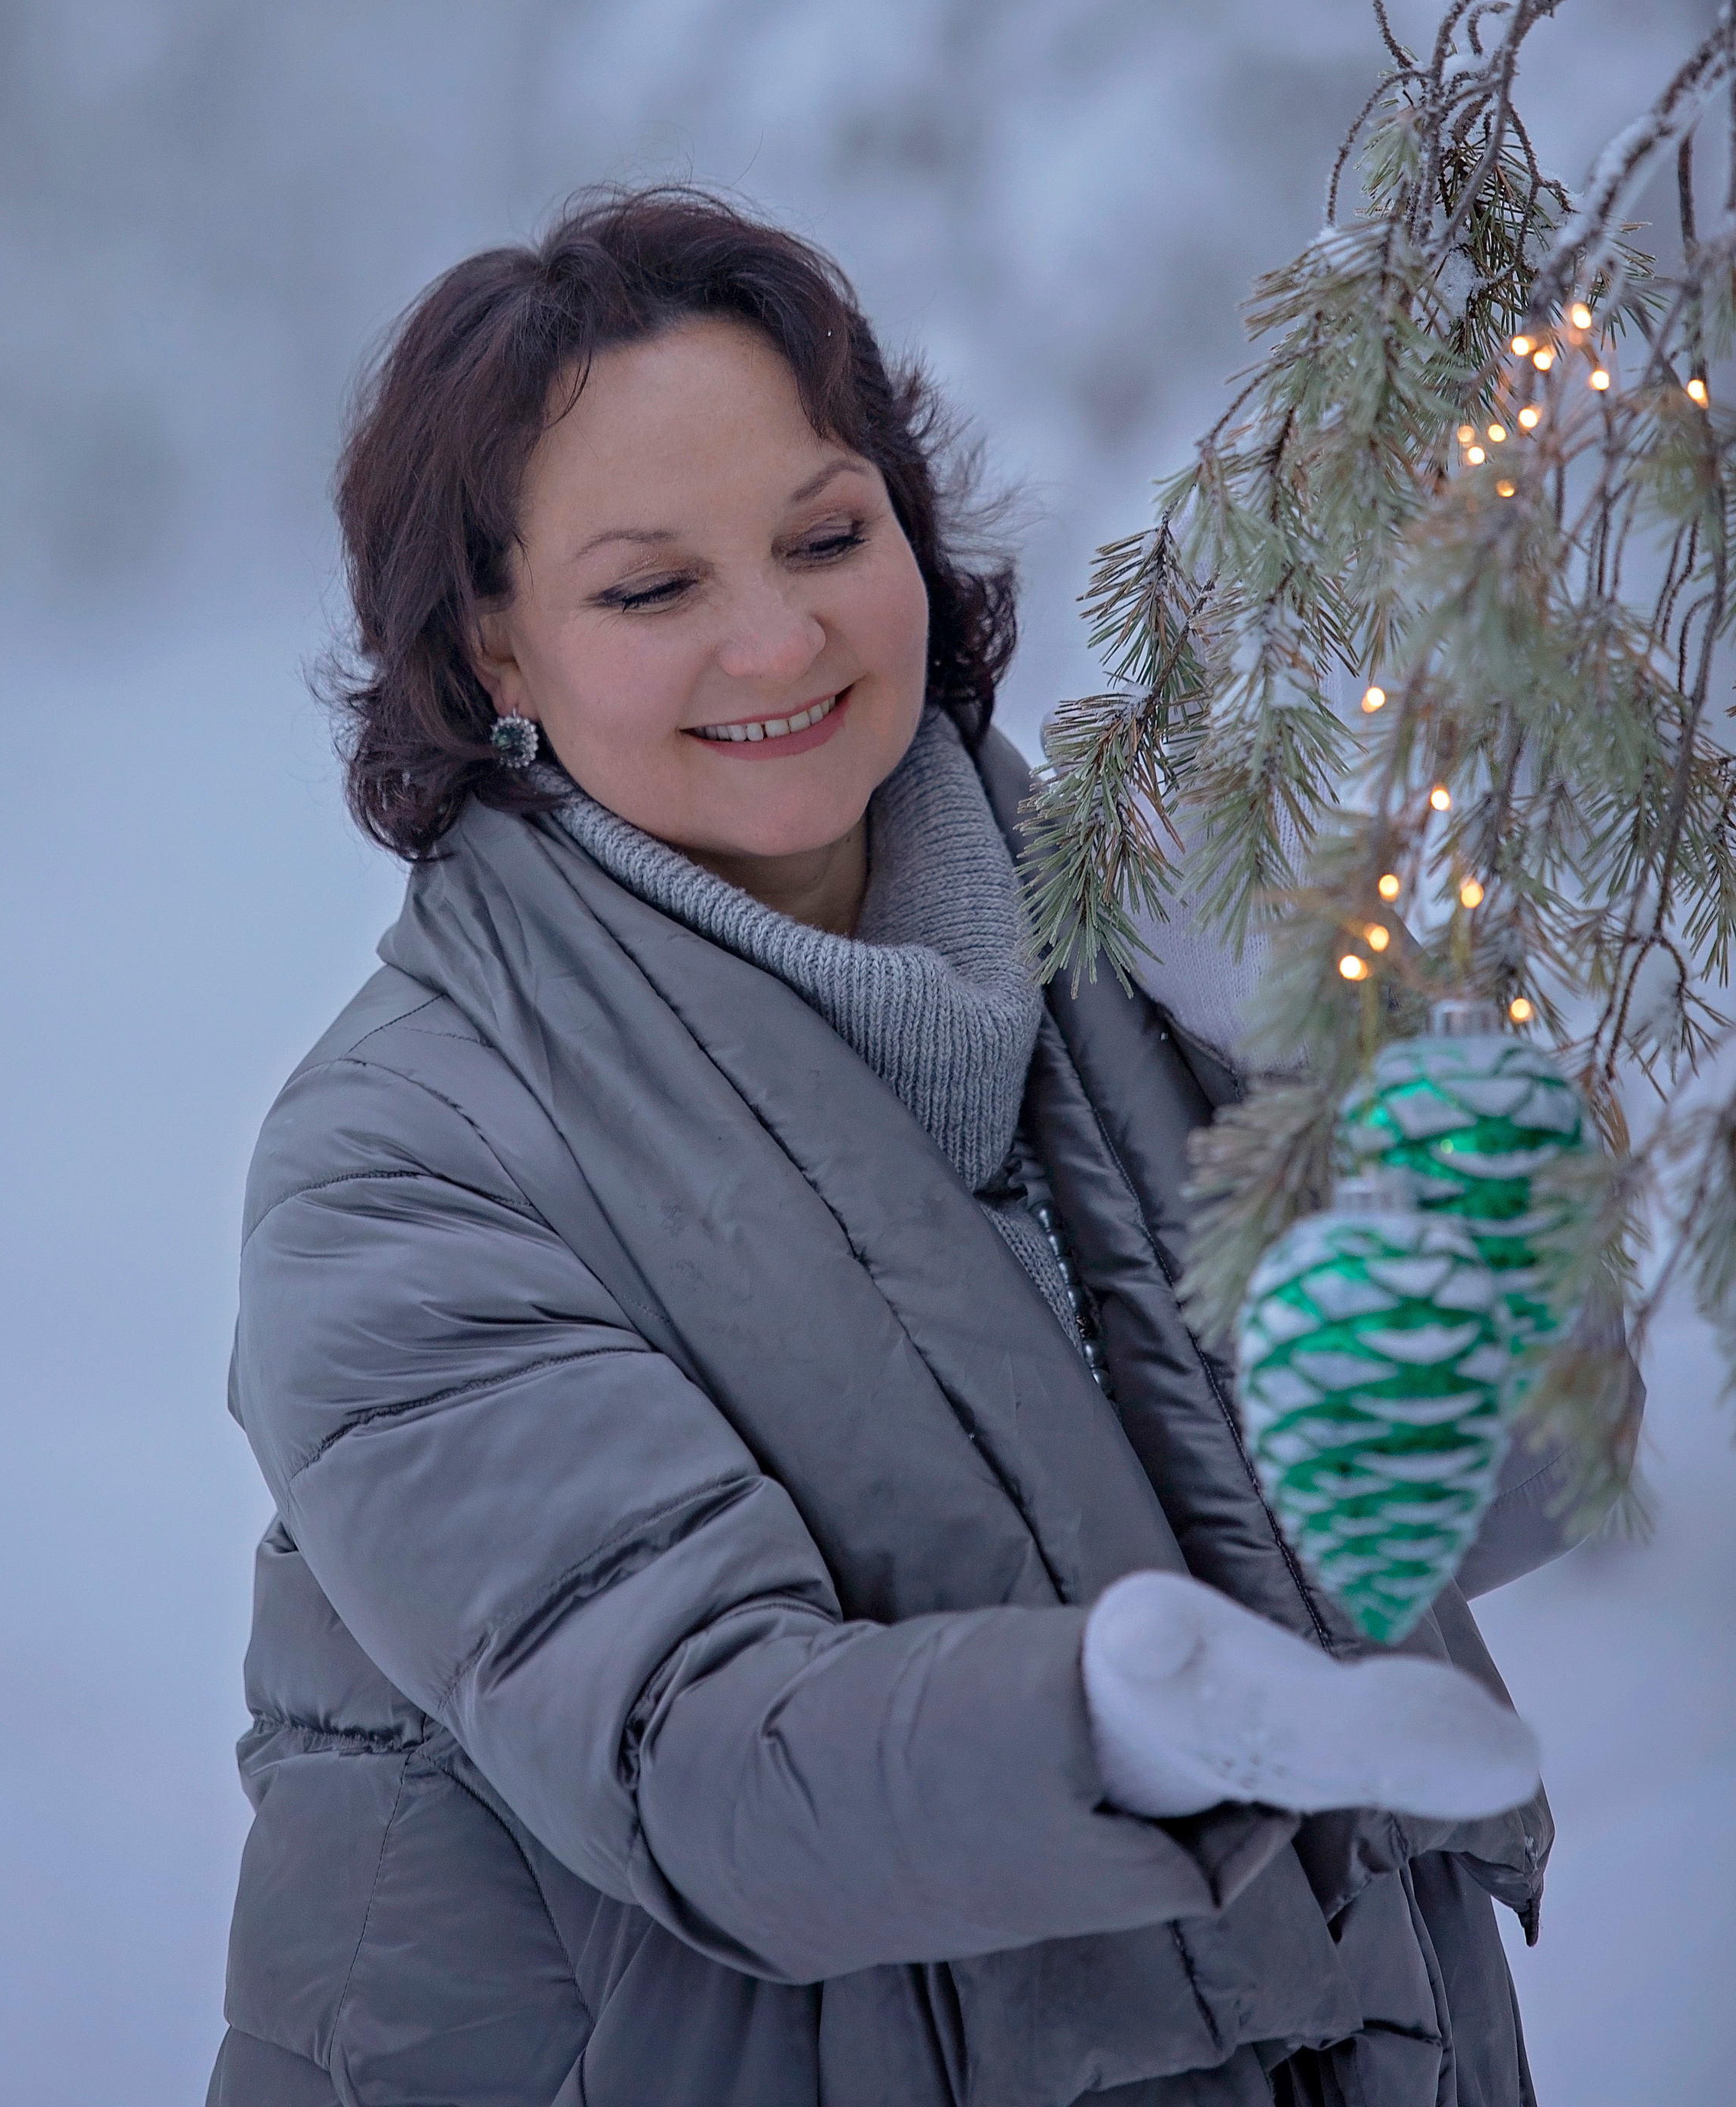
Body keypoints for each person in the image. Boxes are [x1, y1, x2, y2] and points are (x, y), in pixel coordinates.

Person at [208, 188, 1584, 2107]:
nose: (775, 636)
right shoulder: (405, 1167)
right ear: (493, 655)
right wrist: (1104, 1723)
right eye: (647, 588)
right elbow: (697, 1759)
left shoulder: (1143, 952)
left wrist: (1366, 1070)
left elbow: (1492, 1484)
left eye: (824, 536)